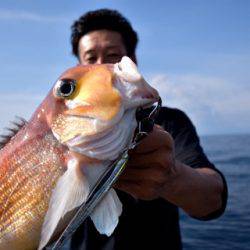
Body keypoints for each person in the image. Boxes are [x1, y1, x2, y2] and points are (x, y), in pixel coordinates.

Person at [66, 9, 227, 250]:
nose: (100, 67)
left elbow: (213, 198)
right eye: (91, 58)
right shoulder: (59, 132)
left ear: (132, 61)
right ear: (79, 67)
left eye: (112, 56)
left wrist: (171, 176)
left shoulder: (169, 121)